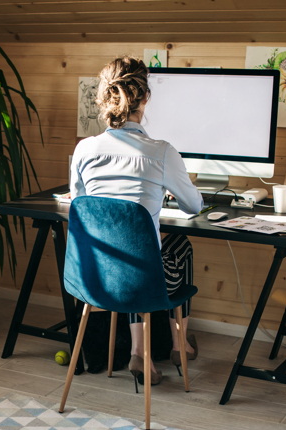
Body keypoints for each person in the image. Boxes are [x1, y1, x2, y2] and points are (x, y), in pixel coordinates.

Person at [69, 56, 204, 386]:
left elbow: (78, 205)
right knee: (177, 247)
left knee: (127, 249)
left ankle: (139, 354)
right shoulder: (160, 151)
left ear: (104, 99)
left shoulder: (84, 151)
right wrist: (162, 192)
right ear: (144, 97)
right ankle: (179, 344)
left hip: (93, 278)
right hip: (142, 281)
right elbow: (193, 206)